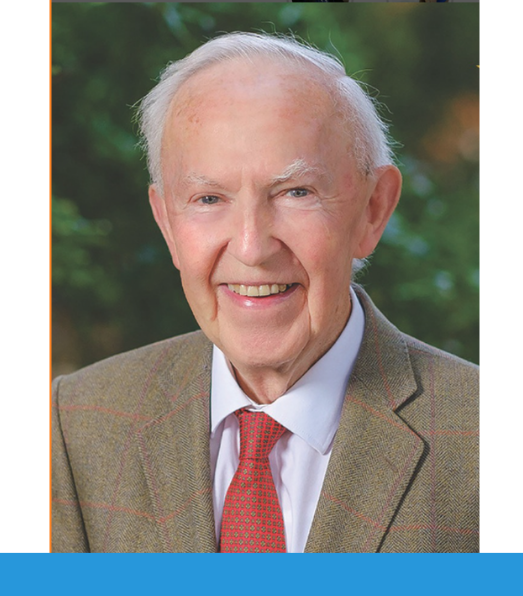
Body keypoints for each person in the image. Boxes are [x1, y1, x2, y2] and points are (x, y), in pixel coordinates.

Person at [51, 33, 478, 553]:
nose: (252, 248)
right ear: (166, 222)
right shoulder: (76, 426)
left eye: (296, 193)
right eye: (208, 198)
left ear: (373, 210)